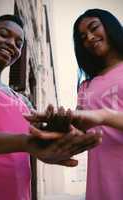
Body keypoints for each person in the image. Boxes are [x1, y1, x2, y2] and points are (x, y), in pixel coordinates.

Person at [0, 14, 102, 200]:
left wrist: (52, 134)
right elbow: (24, 141)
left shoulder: (20, 99)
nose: (12, 44)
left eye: (19, 43)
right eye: (4, 34)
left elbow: (31, 141)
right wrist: (27, 142)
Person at [72, 8, 123, 200]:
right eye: (83, 37)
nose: (90, 38)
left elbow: (98, 117)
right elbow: (80, 130)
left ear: (110, 27)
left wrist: (103, 116)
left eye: (94, 28)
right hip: (101, 180)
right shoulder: (86, 86)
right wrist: (59, 125)